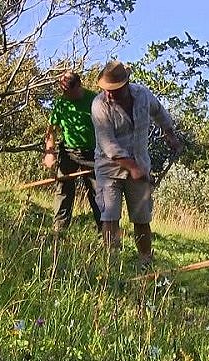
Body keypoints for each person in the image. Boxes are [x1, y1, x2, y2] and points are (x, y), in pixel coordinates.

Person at [91, 60, 183, 268]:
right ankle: (111, 264)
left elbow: (159, 112)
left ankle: (145, 261)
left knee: (142, 218)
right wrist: (132, 168)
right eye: (106, 89)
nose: (109, 93)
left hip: (140, 163)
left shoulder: (142, 95)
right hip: (109, 168)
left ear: (126, 84)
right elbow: (108, 144)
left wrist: (170, 134)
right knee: (110, 216)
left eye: (113, 89)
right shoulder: (99, 105)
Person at [44, 71, 101, 233]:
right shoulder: (61, 103)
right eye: (63, 91)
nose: (65, 94)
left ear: (79, 86)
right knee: (63, 189)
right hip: (68, 152)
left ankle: (106, 233)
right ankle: (59, 229)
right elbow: (51, 130)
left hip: (92, 154)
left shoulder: (95, 100)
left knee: (98, 193)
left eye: (68, 91)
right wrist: (49, 152)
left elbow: (108, 127)